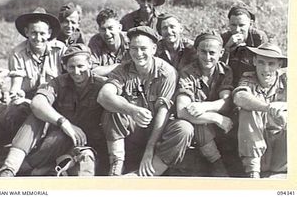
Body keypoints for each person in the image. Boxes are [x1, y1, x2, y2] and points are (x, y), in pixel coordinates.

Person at [0, 44, 108, 177]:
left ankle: (26, 167)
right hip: (60, 136)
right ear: (65, 67)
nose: (76, 72)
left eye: (80, 66)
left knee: (67, 145)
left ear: (90, 64)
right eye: (71, 67)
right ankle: (10, 168)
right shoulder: (59, 82)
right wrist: (64, 122)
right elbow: (37, 103)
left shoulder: (102, 85)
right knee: (37, 117)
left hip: (86, 142)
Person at [150, 31, 234, 177]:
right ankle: (217, 164)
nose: (207, 57)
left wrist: (204, 106)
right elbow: (182, 111)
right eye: (203, 52)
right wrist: (216, 118)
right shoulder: (187, 72)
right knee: (194, 119)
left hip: (219, 127)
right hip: (200, 125)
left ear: (221, 53)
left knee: (198, 114)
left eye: (212, 53)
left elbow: (226, 102)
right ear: (197, 51)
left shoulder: (225, 71)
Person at [97, 26, 177, 176]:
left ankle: (146, 174)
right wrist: (131, 110)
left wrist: (150, 148)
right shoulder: (123, 69)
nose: (138, 54)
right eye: (134, 48)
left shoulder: (167, 72)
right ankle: (116, 166)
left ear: (154, 49)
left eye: (143, 48)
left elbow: (163, 111)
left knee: (183, 129)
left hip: (158, 131)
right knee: (113, 108)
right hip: (133, 131)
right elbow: (103, 96)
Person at [0, 7, 66, 144]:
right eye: (34, 33)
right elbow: (16, 86)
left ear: (49, 33)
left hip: (55, 100)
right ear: (26, 32)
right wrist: (17, 94)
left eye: (42, 33)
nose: (38, 38)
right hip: (27, 103)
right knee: (15, 112)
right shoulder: (17, 53)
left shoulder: (60, 50)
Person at [233, 42, 287, 178]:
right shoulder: (249, 78)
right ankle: (253, 173)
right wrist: (268, 108)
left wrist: (283, 107)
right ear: (254, 61)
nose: (266, 69)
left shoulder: (287, 80)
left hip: (282, 147)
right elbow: (239, 97)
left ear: (279, 65)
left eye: (271, 64)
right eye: (261, 62)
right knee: (248, 110)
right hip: (257, 148)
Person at [221, 2, 268, 86]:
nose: (237, 29)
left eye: (241, 25)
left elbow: (265, 64)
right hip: (229, 80)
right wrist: (227, 48)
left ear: (250, 24)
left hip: (253, 80)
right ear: (229, 23)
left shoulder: (258, 38)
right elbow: (218, 69)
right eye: (233, 25)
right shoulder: (224, 38)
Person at [88, 8, 130, 77]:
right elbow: (92, 71)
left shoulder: (131, 40)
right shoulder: (95, 41)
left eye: (110, 28)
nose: (107, 33)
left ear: (119, 28)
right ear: (99, 30)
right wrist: (120, 66)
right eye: (103, 29)